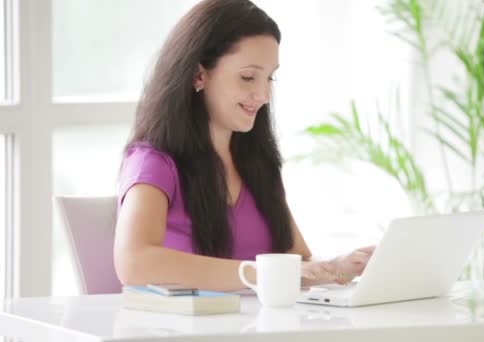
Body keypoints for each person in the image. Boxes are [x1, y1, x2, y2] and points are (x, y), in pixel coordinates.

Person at [114, 0, 374, 292]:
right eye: (248, 77)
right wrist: (257, 273)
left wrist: (336, 268)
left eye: (269, 77)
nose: (263, 95)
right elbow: (134, 262)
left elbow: (296, 260)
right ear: (199, 75)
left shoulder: (255, 161)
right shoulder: (154, 161)